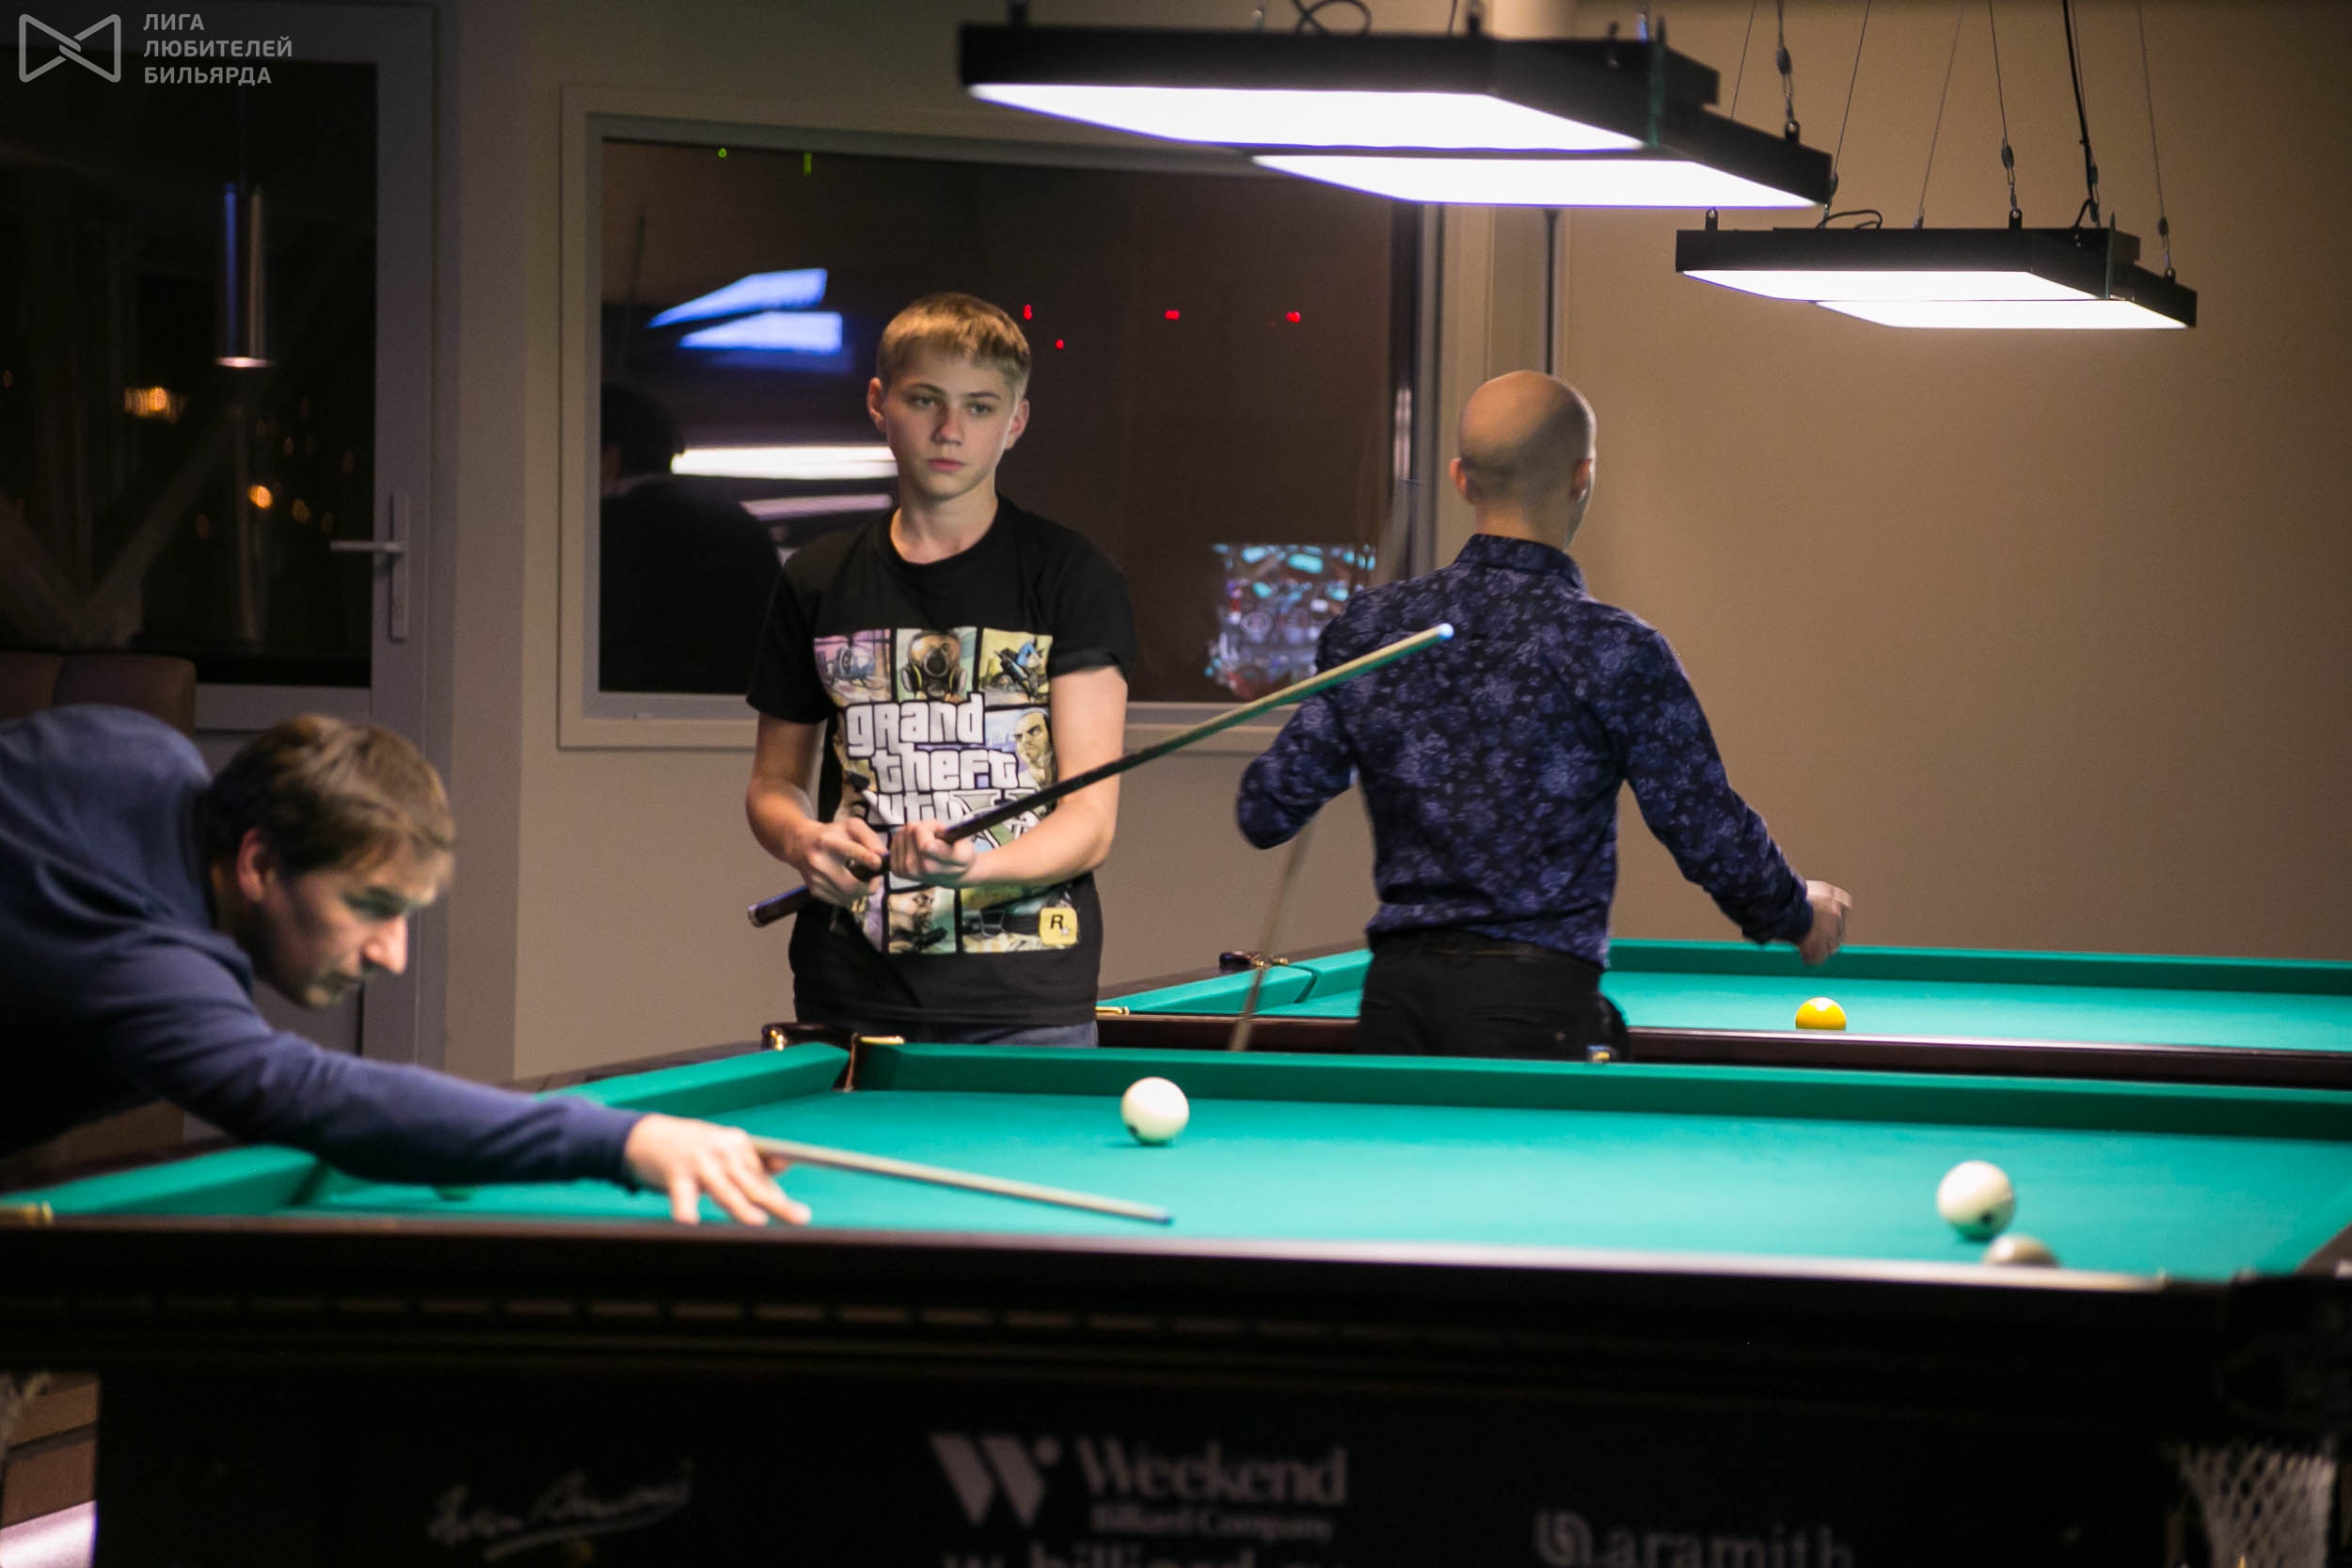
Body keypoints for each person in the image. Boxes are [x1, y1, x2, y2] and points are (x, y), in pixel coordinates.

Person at [1235, 372, 1851, 1060]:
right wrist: (1794, 910)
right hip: (1534, 1008)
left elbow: (1267, 810)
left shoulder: (1377, 629)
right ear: (1583, 476)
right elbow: (1700, 823)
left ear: (1461, 479)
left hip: (1395, 1004)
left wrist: (1348, 685)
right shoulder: (1613, 646)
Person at [0, 706, 806, 1225]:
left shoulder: (135, 747)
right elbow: (308, 1093)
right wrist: (625, 1139)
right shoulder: (139, 965)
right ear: (259, 863)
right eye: (371, 906)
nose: (392, 953)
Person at [745, 293, 1135, 1045]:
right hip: (849, 990)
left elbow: (1090, 822)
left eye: (980, 407)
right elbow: (772, 785)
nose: (951, 429)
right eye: (925, 400)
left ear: (1015, 422)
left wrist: (972, 870)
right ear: (879, 403)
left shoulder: (1072, 577)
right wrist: (803, 840)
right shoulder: (817, 578)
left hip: (1025, 999)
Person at [597, 382, 783, 694]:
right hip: (740, 708)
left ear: (609, 461)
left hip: (625, 709)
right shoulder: (739, 522)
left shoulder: (603, 528)